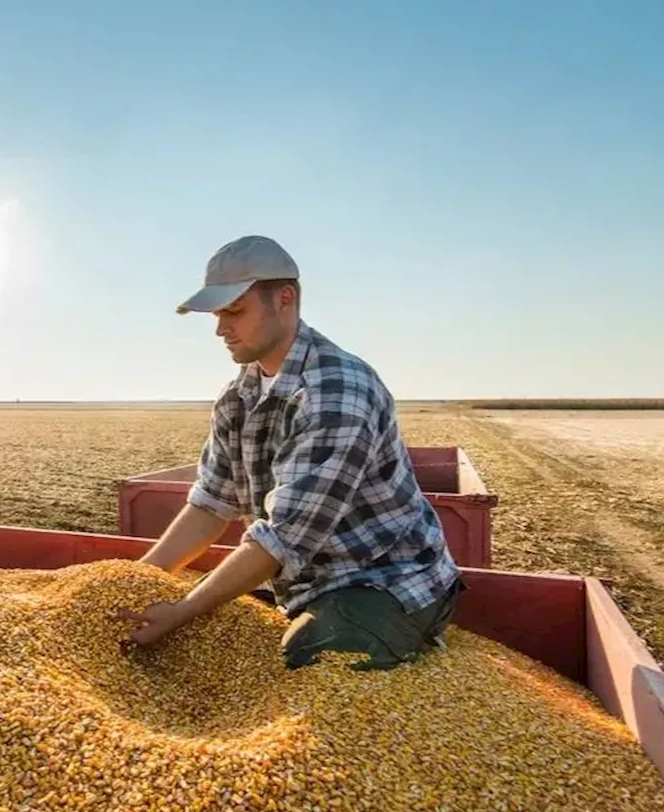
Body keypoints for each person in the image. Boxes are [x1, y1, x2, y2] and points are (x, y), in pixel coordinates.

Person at [118, 235, 465, 670]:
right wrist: (136, 578)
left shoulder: (337, 391)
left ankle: (408, 637)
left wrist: (183, 610)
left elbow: (283, 538)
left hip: (386, 580)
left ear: (285, 299)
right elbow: (211, 503)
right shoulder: (237, 396)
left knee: (311, 658)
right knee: (196, 629)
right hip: (299, 580)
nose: (220, 328)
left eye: (235, 311)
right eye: (218, 313)